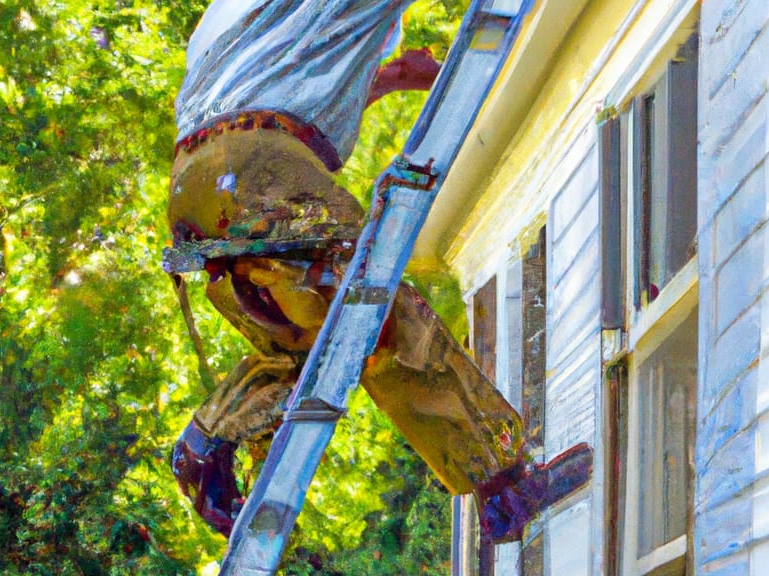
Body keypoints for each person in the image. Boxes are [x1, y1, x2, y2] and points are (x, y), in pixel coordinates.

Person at [167, 0, 592, 545]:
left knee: (306, 348)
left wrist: (391, 78)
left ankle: (207, 446)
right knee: (380, 311)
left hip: (193, 192)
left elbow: (280, 80)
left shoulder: (225, 19)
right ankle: (504, 485)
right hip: (259, 169)